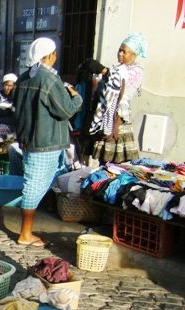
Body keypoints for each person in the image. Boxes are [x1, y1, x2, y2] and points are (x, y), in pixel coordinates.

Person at [13, 37, 82, 247]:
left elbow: (18, 109)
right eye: (54, 54)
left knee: (35, 182)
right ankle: (25, 234)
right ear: (51, 55)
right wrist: (76, 97)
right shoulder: (49, 79)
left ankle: (29, 229)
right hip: (45, 141)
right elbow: (66, 110)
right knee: (34, 186)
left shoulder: (25, 77)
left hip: (30, 139)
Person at [88, 33, 147, 164]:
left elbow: (120, 82)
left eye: (124, 52)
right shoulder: (118, 69)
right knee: (104, 160)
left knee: (115, 161)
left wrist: (103, 71)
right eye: (119, 50)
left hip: (119, 119)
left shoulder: (136, 71)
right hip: (107, 117)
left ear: (134, 54)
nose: (120, 54)